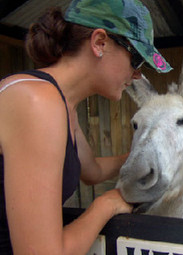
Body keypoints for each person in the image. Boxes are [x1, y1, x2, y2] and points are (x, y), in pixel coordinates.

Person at [0, 0, 172, 254]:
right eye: (136, 59)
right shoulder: (38, 102)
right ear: (99, 43)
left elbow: (91, 171)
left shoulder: (63, 105)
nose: (138, 75)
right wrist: (108, 204)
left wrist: (143, 157)